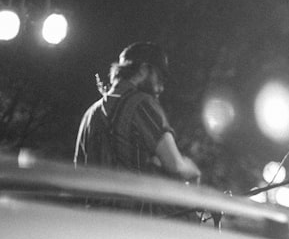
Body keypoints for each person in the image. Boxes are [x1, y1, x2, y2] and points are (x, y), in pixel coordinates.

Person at [75, 42, 201, 185]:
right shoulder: (142, 104)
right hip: (131, 206)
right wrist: (192, 170)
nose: (161, 88)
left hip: (90, 206)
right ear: (143, 70)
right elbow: (176, 166)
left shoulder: (90, 113)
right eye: (159, 78)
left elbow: (79, 172)